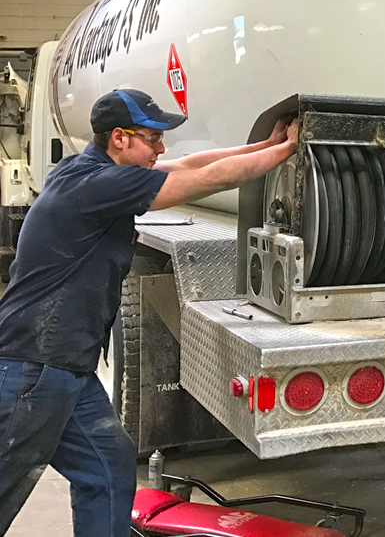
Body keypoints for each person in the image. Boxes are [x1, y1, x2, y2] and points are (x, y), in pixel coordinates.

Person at [0, 88, 298, 537]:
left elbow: (193, 165)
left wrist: (266, 145)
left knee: (110, 469)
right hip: (34, 369)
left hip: (66, 368)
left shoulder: (89, 170)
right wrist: (291, 151)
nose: (162, 148)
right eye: (152, 137)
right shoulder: (99, 185)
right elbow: (207, 180)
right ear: (119, 138)